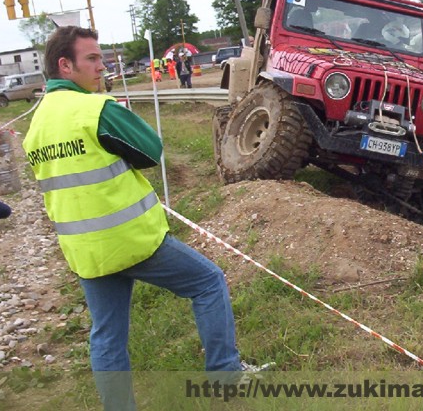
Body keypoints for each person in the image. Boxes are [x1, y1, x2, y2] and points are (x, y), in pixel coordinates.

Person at [22, 26, 265, 410]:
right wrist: (119, 115)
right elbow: (151, 152)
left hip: (86, 251)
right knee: (208, 283)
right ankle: (225, 375)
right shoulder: (96, 109)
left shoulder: (36, 126)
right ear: (65, 65)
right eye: (93, 58)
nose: (102, 66)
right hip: (132, 240)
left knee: (106, 335)